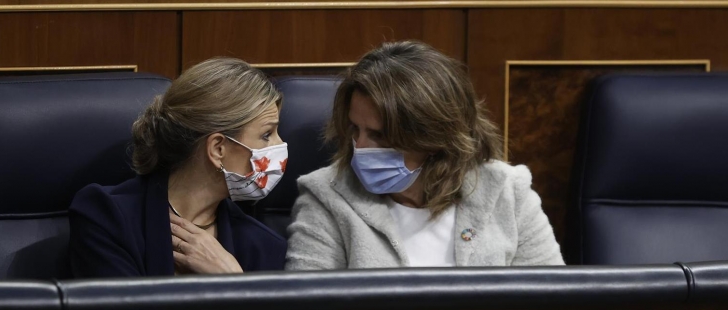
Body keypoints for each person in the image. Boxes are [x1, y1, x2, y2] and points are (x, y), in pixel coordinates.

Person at [286, 41, 563, 269]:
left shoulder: (507, 191)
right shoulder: (326, 196)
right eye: (355, 129)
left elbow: (551, 306)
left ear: (433, 136)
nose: (361, 147)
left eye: (379, 135)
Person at [70, 57, 287, 277]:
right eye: (267, 134)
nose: (280, 146)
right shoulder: (106, 217)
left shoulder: (265, 247)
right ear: (218, 149)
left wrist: (233, 281)